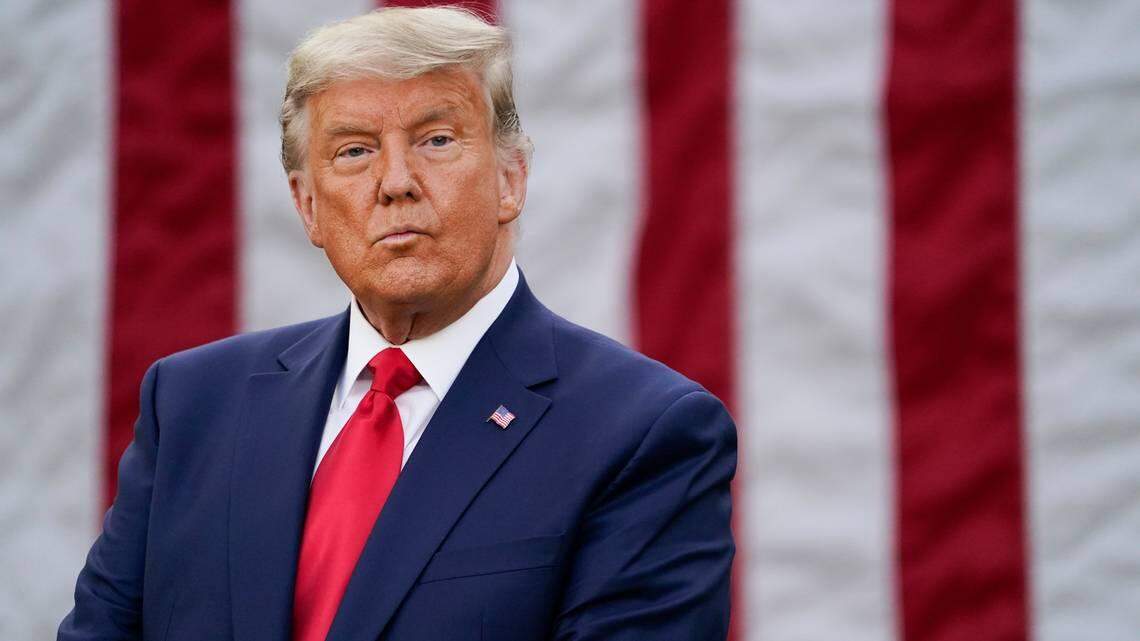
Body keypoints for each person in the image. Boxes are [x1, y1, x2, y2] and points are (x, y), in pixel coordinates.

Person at [59, 7, 736, 641]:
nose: (396, 182)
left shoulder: (645, 433)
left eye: (436, 140)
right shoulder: (191, 406)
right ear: (308, 206)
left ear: (511, 178)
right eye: (354, 151)